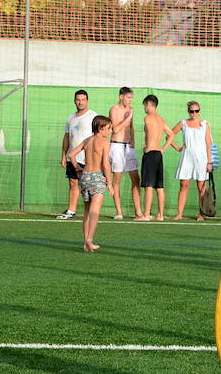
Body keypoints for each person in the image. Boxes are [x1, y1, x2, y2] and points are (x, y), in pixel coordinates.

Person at [69, 115, 113, 252]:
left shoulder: (87, 140)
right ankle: (89, 240)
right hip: (97, 178)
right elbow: (105, 164)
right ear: (100, 128)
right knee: (95, 211)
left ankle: (85, 243)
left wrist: (77, 168)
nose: (110, 131)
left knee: (87, 211)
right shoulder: (105, 142)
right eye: (108, 128)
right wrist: (110, 183)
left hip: (85, 177)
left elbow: (71, 155)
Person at [58, 89, 97, 220]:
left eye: (83, 100)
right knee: (73, 182)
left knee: (87, 184)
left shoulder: (93, 116)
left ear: (87, 101)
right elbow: (66, 137)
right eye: (78, 100)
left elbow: (98, 137)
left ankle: (93, 210)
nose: (80, 102)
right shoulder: (71, 118)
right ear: (75, 101)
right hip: (72, 157)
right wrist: (64, 155)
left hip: (88, 158)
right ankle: (71, 210)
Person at [173, 101, 213, 221]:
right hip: (187, 157)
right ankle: (179, 214)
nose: (194, 113)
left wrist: (209, 162)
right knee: (183, 185)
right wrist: (178, 148)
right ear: (188, 111)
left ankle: (201, 214)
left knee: (201, 187)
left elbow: (208, 143)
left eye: (196, 111)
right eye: (192, 111)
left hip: (202, 158)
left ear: (199, 111)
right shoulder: (183, 123)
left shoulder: (205, 124)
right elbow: (169, 134)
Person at [106, 87, 141, 219]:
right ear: (121, 97)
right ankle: (119, 212)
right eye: (128, 97)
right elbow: (115, 129)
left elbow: (130, 127)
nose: (130, 100)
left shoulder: (129, 110)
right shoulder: (114, 109)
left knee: (136, 179)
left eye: (131, 98)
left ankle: (138, 211)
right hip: (116, 146)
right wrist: (128, 117)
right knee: (117, 179)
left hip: (128, 147)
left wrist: (133, 142)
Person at [138, 94, 174, 221]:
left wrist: (147, 147)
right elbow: (171, 134)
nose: (144, 108)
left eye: (144, 105)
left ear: (149, 104)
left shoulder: (147, 118)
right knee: (159, 186)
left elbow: (149, 134)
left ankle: (146, 214)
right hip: (158, 153)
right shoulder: (161, 119)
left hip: (150, 153)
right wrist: (163, 149)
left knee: (148, 185)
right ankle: (160, 215)